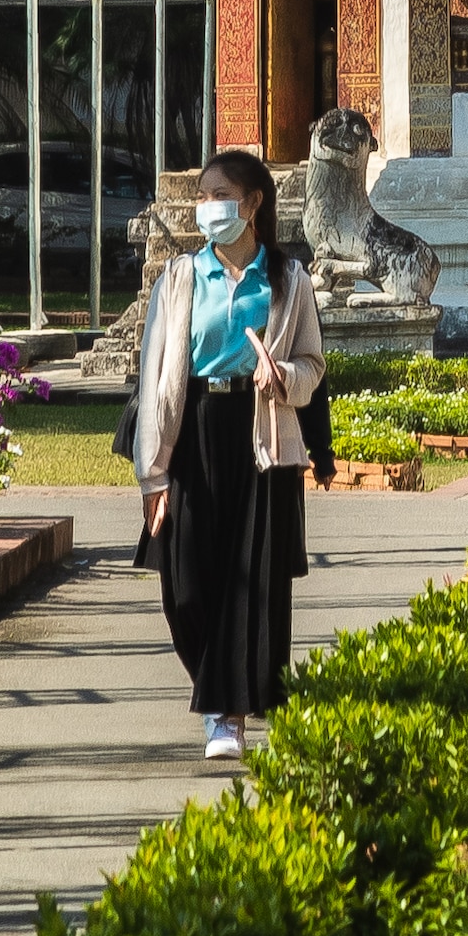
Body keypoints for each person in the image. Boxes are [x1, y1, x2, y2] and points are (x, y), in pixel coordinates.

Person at [130, 146, 326, 760]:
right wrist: (152, 476)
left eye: (218, 196)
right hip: (194, 429)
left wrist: (283, 376)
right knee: (184, 585)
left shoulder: (289, 279)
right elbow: (156, 375)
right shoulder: (181, 277)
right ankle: (220, 686)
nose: (207, 209)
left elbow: (313, 367)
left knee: (249, 580)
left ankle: (227, 715)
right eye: (202, 198)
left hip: (260, 433)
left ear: (253, 204)